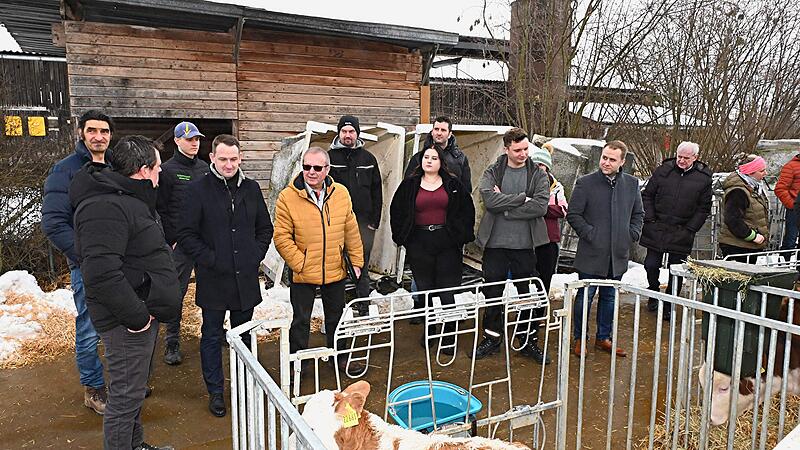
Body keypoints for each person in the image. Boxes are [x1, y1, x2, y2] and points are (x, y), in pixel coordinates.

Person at [71, 135, 180, 450]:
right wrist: (137, 317)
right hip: (126, 321)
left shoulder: (125, 199)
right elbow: (100, 273)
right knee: (123, 399)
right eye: (158, 168)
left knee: (132, 393)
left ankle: (136, 445)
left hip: (138, 313)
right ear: (144, 170)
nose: (161, 175)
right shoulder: (104, 205)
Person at [177, 134, 273, 418]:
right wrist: (211, 259)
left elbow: (264, 228)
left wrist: (254, 254)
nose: (229, 165)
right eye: (223, 159)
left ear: (240, 158)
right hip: (214, 278)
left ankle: (245, 385)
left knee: (244, 336)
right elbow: (186, 234)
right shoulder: (198, 189)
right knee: (211, 335)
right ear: (212, 159)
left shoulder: (252, 189)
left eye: (233, 159)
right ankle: (216, 391)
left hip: (244, 277)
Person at [41, 109, 112, 415]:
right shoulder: (65, 170)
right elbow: (54, 223)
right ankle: (93, 389)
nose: (99, 137)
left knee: (117, 322)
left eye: (105, 131)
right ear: (81, 133)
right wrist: (85, 256)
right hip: (86, 264)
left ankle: (120, 381)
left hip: (117, 262)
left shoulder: (115, 167)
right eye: (93, 130)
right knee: (89, 326)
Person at [274, 147, 365, 371]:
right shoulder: (288, 197)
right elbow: (281, 236)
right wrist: (300, 263)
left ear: (327, 169)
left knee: (336, 316)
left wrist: (356, 261)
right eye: (306, 167)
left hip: (335, 267)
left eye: (316, 167)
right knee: (301, 320)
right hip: (303, 271)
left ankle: (339, 357)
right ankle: (298, 363)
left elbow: (351, 229)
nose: (311, 172)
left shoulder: (340, 193)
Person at [473, 127, 551, 363]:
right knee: (493, 294)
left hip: (525, 246)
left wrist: (505, 209)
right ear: (506, 149)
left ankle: (527, 341)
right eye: (517, 150)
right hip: (495, 245)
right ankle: (492, 339)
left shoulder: (537, 174)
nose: (523, 153)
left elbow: (540, 207)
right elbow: (489, 199)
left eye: (526, 148)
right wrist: (519, 199)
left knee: (528, 295)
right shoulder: (494, 170)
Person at [390, 146, 475, 353]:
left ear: (441, 162)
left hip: (447, 242)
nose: (429, 161)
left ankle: (449, 333)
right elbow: (397, 210)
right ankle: (430, 330)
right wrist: (402, 236)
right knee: (426, 291)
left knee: (447, 291)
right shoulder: (409, 185)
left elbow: (467, 208)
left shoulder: (453, 183)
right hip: (419, 242)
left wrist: (461, 234)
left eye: (434, 157)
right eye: (426, 157)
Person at [567, 140, 644, 358]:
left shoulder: (631, 184)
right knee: (585, 296)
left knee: (609, 297)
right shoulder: (585, 183)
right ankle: (580, 338)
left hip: (617, 254)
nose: (606, 162)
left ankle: (604, 337)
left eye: (612, 159)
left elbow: (638, 214)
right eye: (604, 157)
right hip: (592, 252)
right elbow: (573, 214)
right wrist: (591, 234)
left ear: (621, 162)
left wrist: (631, 235)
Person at [156, 121, 208, 365]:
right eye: (189, 139)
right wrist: (171, 239)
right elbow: (161, 209)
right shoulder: (167, 171)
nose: (194, 143)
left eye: (197, 139)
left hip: (204, 242)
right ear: (176, 141)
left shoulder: (205, 169)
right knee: (177, 292)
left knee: (211, 289)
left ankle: (211, 332)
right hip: (181, 245)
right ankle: (172, 341)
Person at [640, 141, 712, 319]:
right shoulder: (663, 171)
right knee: (651, 264)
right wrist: (649, 218)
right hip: (656, 226)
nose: (681, 160)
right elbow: (647, 195)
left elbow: (703, 208)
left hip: (682, 231)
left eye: (686, 158)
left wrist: (691, 228)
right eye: (679, 156)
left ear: (695, 158)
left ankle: (670, 303)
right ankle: (653, 291)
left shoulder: (703, 178)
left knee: (676, 270)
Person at [328, 115, 382, 303]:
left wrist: (374, 221)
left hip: (363, 224)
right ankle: (337, 307)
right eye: (344, 131)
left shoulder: (368, 158)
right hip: (337, 223)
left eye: (351, 131)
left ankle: (363, 304)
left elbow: (377, 192)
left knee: (362, 265)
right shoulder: (329, 159)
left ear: (357, 133)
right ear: (339, 133)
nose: (348, 135)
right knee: (337, 266)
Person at [530, 145, 568, 295]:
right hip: (528, 236)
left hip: (548, 238)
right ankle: (525, 313)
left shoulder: (556, 187)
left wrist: (540, 207)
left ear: (547, 167)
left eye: (541, 165)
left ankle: (540, 313)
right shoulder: (525, 183)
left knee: (545, 276)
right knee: (527, 279)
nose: (538, 168)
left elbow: (563, 209)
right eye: (535, 164)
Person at [718, 155, 769, 261]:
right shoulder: (738, 192)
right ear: (751, 172)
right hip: (738, 247)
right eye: (761, 171)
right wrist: (753, 236)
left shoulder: (753, 187)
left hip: (748, 246)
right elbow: (733, 220)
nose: (765, 173)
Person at [405, 116, 472, 192]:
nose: (439, 133)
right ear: (432, 132)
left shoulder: (460, 159)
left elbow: (466, 190)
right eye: (436, 129)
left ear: (449, 134)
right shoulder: (418, 158)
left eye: (443, 130)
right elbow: (407, 188)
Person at [775, 151, 800, 250]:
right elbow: (780, 189)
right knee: (790, 241)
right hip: (795, 210)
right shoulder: (791, 166)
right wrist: (793, 205)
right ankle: (785, 262)